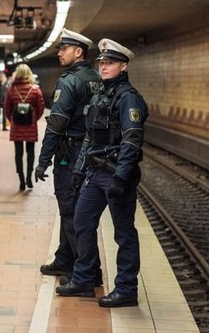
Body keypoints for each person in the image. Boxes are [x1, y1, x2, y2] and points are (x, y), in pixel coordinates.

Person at [56, 39, 148, 308]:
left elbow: (131, 141)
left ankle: (126, 289)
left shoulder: (128, 98)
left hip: (116, 175)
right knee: (82, 222)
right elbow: (89, 138)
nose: (104, 67)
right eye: (102, 63)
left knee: (123, 234)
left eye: (110, 63)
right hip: (94, 175)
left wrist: (121, 176)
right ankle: (84, 280)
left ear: (123, 65)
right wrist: (78, 169)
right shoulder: (100, 95)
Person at [35, 30, 102, 281]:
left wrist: (42, 161)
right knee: (73, 210)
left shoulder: (69, 81)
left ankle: (86, 271)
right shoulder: (96, 78)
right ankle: (65, 259)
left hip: (71, 152)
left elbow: (56, 125)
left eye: (64, 49)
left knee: (72, 211)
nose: (60, 53)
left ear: (78, 52)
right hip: (89, 152)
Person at [4, 64, 45, 190]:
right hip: (30, 125)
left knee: (18, 153)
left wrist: (12, 120)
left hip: (16, 126)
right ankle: (29, 178)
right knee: (30, 152)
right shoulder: (35, 89)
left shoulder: (12, 90)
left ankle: (21, 179)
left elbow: (7, 108)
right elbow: (41, 107)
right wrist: (34, 118)